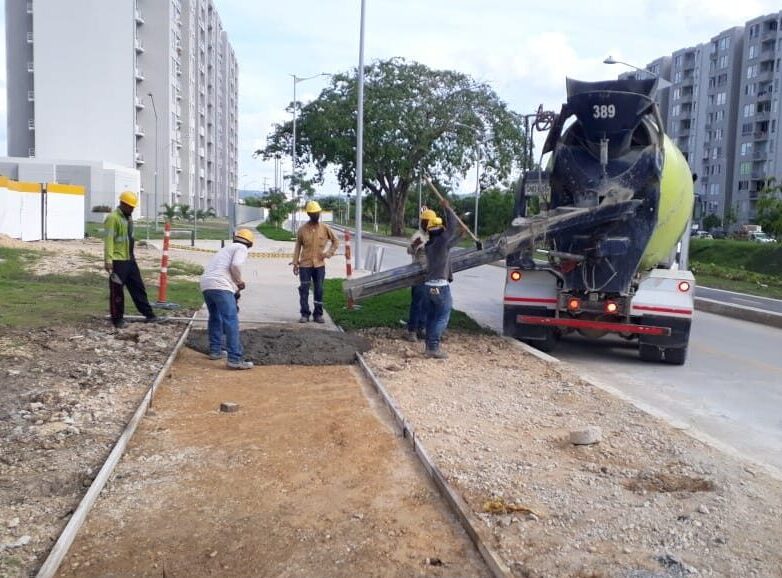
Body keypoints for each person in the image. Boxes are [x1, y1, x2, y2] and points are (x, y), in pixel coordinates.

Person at [199, 228, 255, 370]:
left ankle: (215, 350)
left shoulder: (226, 249)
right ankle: (235, 358)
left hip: (206, 284)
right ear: (249, 243)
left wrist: (235, 287)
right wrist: (239, 281)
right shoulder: (241, 248)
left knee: (215, 317)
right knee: (231, 320)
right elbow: (235, 265)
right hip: (220, 285)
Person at [104, 191, 157, 329]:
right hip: (117, 261)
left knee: (138, 287)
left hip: (129, 259)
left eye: (133, 207)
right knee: (117, 292)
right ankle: (117, 319)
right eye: (130, 206)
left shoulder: (128, 218)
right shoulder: (113, 218)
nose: (132, 209)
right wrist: (108, 260)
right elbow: (108, 241)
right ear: (122, 204)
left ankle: (149, 315)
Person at [423, 202, 463, 359]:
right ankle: (433, 347)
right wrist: (448, 208)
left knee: (433, 316)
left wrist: (461, 236)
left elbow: (451, 242)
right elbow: (452, 226)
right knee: (442, 316)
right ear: (440, 228)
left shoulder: (431, 244)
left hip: (429, 286)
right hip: (440, 286)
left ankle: (429, 346)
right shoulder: (441, 241)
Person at [292, 200, 340, 323]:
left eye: (317, 213)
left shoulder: (325, 228)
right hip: (305, 265)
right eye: (313, 214)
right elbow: (298, 246)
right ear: (308, 214)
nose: (316, 216)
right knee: (304, 289)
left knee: (319, 289)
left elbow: (336, 241)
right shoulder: (302, 230)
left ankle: (318, 314)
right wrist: (295, 262)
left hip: (319, 265)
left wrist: (328, 253)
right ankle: (305, 313)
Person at [405, 208, 437, 342]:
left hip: (430, 275)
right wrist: (414, 246)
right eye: (427, 222)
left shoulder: (433, 236)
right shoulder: (419, 236)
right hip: (419, 275)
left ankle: (421, 328)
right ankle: (412, 330)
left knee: (427, 303)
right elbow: (409, 250)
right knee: (418, 302)